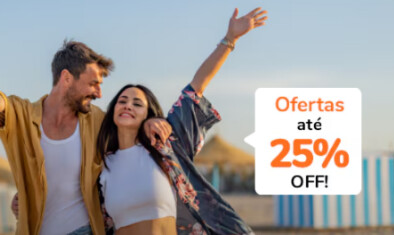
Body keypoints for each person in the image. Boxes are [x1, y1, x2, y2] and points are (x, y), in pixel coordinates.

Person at [0, 36, 172, 234]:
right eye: (93, 83)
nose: (99, 93)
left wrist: (151, 121)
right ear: (66, 78)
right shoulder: (21, 117)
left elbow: (130, 126)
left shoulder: (98, 121)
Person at [95, 7, 267, 235]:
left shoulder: (166, 144)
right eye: (122, 101)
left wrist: (230, 39)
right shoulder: (101, 163)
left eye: (137, 104)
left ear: (148, 115)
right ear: (113, 110)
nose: (128, 105)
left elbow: (197, 86)